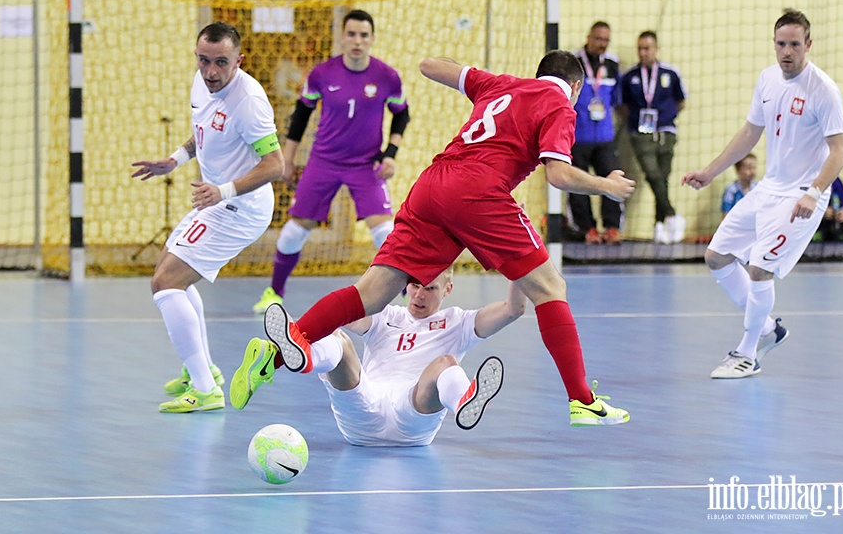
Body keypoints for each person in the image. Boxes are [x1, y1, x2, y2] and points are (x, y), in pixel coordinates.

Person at [253, 50, 636, 427]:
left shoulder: (500, 84)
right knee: (551, 288)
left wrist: (474, 73)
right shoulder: (558, 103)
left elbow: (427, 65)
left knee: (373, 294)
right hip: (479, 190)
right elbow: (559, 175)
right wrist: (607, 186)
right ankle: (582, 400)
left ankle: (283, 347)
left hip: (432, 184)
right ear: (575, 86)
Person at [682, 8, 843, 379]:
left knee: (759, 269)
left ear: (808, 45)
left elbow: (839, 152)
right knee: (716, 256)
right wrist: (710, 172)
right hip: (769, 189)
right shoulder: (768, 79)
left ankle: (748, 352)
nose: (786, 52)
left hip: (802, 197)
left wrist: (814, 191)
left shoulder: (824, 90)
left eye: (794, 45)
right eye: (780, 44)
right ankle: (770, 330)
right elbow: (749, 133)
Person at [131, 22, 285, 412]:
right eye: (203, 60)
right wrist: (175, 159)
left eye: (220, 62)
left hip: (241, 207)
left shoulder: (249, 102)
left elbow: (275, 166)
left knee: (166, 282)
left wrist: (223, 190)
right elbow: (202, 133)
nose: (211, 71)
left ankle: (205, 389)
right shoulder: (201, 82)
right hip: (215, 199)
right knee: (169, 270)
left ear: (239, 60)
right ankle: (203, 370)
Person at [232, 269, 524, 445]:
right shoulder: (386, 314)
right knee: (338, 338)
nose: (419, 295)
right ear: (405, 285)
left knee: (445, 363)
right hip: (363, 416)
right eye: (414, 285)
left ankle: (463, 401)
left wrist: (517, 256)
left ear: (448, 288)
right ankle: (303, 356)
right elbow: (346, 312)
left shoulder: (459, 322)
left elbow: (514, 309)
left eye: (431, 288)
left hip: (414, 419)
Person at [253, 9, 410, 313]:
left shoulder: (387, 77)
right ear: (342, 37)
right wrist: (286, 158)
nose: (357, 41)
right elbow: (300, 116)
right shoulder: (322, 74)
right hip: (323, 162)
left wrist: (390, 154)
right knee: (295, 230)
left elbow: (402, 114)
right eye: (351, 34)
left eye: (364, 35)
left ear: (372, 39)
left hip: (366, 165)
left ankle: (408, 294)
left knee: (387, 234)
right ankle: (274, 292)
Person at [619, 31, 688, 244]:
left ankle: (659, 225)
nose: (643, 52)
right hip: (641, 133)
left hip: (666, 131)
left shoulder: (671, 73)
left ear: (656, 49)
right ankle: (672, 214)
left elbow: (681, 101)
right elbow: (622, 106)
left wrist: (666, 118)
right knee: (652, 174)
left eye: (647, 48)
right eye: (639, 48)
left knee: (663, 177)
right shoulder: (629, 76)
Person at [569, 21, 624, 244]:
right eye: (598, 38)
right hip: (577, 136)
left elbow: (617, 99)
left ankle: (612, 227)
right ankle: (587, 228)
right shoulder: (573, 63)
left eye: (606, 40)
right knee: (578, 184)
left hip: (605, 137)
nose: (602, 44)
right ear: (588, 37)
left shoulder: (612, 64)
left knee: (612, 181)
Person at [813, 178, 843, 242]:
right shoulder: (812, 180)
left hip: (834, 218)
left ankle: (838, 232)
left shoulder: (835, 181)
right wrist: (821, 211)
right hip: (819, 218)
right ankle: (819, 233)